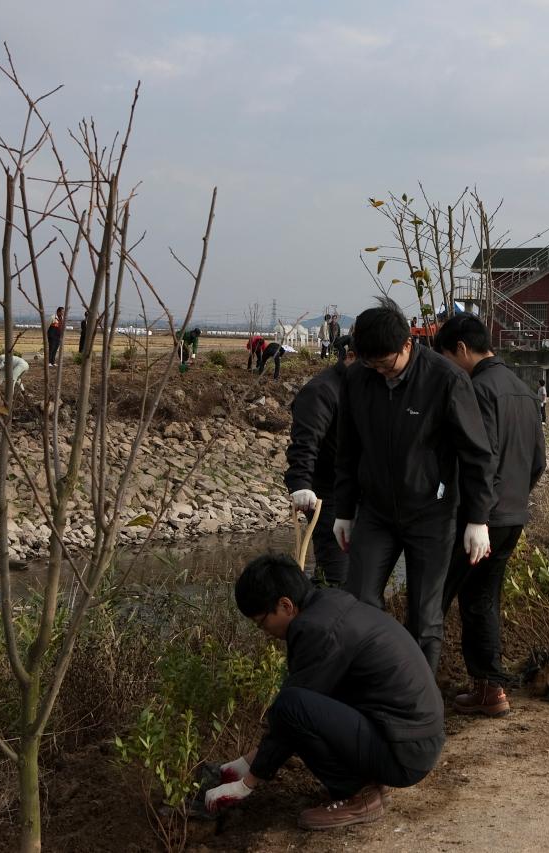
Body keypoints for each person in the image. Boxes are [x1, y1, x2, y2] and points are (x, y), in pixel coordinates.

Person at [202, 555, 445, 830]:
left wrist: (246, 784)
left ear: (285, 605)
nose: (264, 632)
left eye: (261, 623)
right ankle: (362, 783)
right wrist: (244, 763)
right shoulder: (329, 605)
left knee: (291, 705)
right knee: (300, 702)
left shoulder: (317, 630)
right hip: (414, 739)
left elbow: (292, 711)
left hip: (404, 753)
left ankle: (358, 795)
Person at [334, 299, 495, 673]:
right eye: (369, 364)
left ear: (408, 345)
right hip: (375, 510)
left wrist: (478, 519)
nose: (380, 372)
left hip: (431, 514)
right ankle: (374, 680)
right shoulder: (359, 379)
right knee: (357, 599)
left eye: (385, 363)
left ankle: (419, 700)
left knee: (424, 614)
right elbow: (347, 449)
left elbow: (477, 454)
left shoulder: (446, 380)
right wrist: (344, 511)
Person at [433, 314, 545, 716]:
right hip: (512, 516)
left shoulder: (476, 390)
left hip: (478, 520)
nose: (446, 365)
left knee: (434, 601)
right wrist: (513, 501)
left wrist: (478, 515)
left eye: (445, 356)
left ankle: (411, 692)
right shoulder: (523, 389)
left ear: (461, 349)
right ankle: (489, 688)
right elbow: (538, 461)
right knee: (482, 599)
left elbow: (483, 457)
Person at [286, 335, 356, 586]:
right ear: (350, 357)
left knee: (360, 579)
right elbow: (305, 443)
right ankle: (321, 619)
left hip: (361, 495)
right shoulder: (321, 391)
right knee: (336, 576)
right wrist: (301, 485)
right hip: (329, 497)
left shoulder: (363, 388)